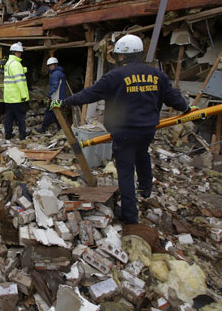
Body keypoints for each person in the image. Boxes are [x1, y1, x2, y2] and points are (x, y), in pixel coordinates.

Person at [51, 34, 192, 225]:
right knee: (142, 155)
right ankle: (145, 190)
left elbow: (89, 94)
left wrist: (65, 101)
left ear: (122, 56)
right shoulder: (156, 74)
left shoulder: (115, 76)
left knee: (125, 171)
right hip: (147, 129)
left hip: (124, 131)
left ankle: (129, 215)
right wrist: (187, 109)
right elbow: (173, 96)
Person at [4, 42, 29, 140]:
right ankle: (22, 135)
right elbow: (19, 81)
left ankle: (8, 134)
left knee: (9, 116)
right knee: (20, 117)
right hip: (17, 97)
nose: (20, 54)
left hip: (9, 96)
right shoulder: (16, 64)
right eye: (19, 52)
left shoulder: (9, 63)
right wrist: (24, 95)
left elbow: (15, 74)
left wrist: (24, 69)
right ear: (15, 52)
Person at [36, 57, 66, 133]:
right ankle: (61, 128)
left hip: (55, 98)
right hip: (60, 97)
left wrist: (49, 95)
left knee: (49, 113)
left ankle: (43, 129)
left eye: (51, 65)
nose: (50, 67)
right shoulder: (60, 73)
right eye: (49, 65)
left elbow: (55, 86)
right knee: (56, 113)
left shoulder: (55, 74)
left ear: (55, 65)